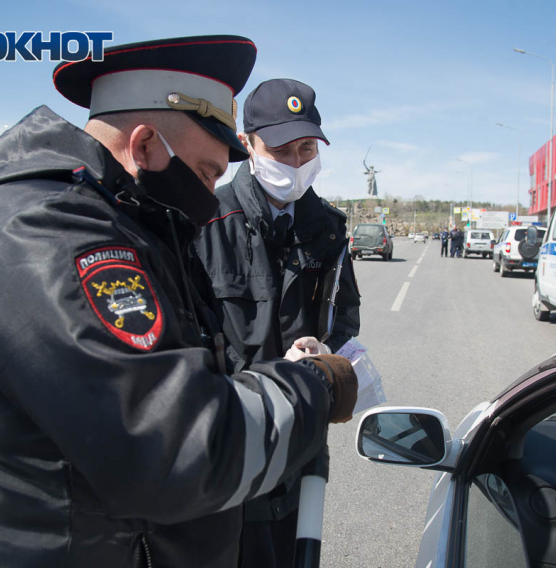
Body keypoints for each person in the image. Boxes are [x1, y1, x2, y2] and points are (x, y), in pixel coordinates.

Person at [0, 36, 358, 568]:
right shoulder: (47, 234)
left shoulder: (120, 219)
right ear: (145, 145)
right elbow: (175, 450)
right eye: (204, 174)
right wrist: (319, 382)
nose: (206, 199)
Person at [194, 78, 361, 568]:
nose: (294, 162)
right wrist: (270, 379)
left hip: (301, 450)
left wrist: (326, 355)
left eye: (305, 148)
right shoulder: (204, 218)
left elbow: (344, 317)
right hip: (230, 451)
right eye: (281, 149)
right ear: (247, 144)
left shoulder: (329, 226)